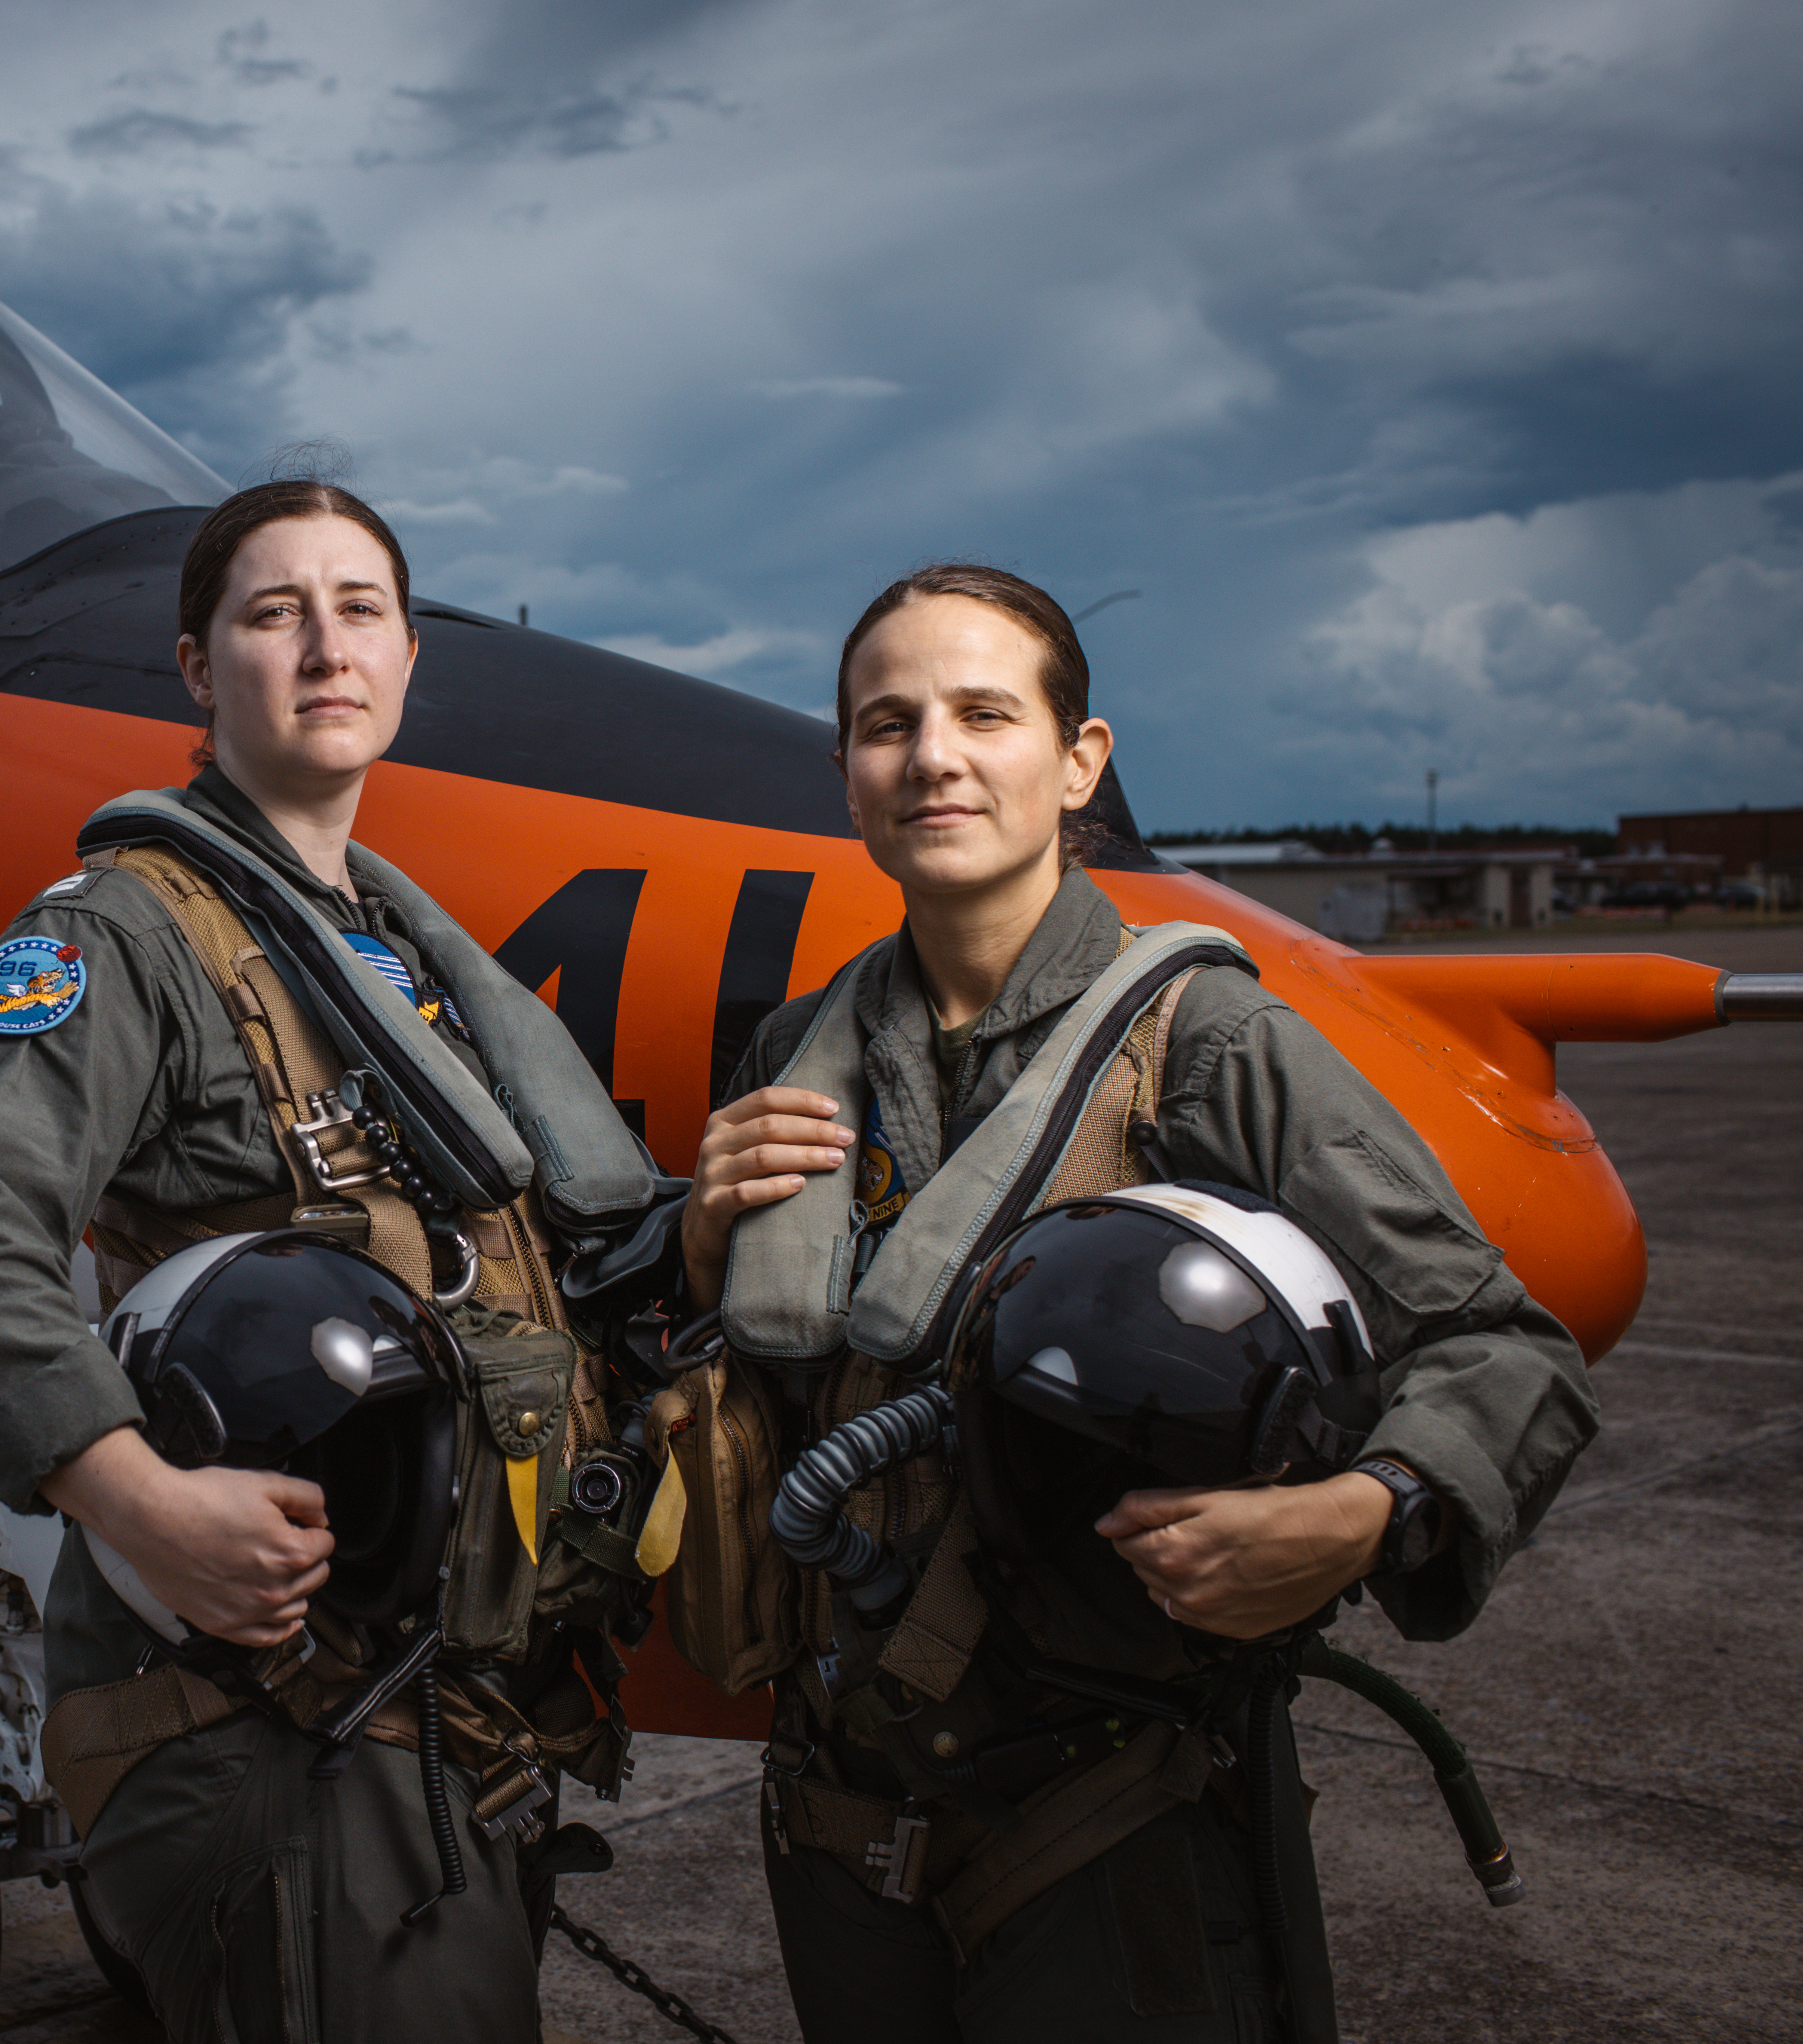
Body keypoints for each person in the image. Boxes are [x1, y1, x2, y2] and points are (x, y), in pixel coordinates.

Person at [676, 563, 1597, 2042]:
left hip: (1103, 1822)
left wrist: (1363, 1509)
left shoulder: (1204, 1042)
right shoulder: (799, 1051)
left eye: (983, 713)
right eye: (884, 723)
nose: (931, 757)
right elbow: (751, 1395)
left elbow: (1501, 1347)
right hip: (839, 1821)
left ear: (1076, 762)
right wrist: (705, 1251)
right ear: (845, 773)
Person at [0, 478, 669, 2042]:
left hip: (434, 1712)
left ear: (408, 658)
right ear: (193, 665)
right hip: (270, 1714)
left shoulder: (393, 955)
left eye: (358, 610)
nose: (322, 647)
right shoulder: (121, 940)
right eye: (271, 611)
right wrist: (133, 1502)